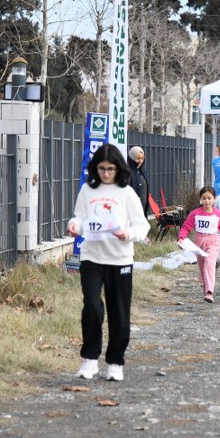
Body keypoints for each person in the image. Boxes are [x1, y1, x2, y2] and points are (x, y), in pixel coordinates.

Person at [67, 144, 151, 382]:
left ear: (118, 168)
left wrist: (128, 234)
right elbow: (81, 217)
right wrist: (74, 225)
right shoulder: (87, 190)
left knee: (119, 311)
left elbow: (142, 225)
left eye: (110, 169)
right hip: (91, 258)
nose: (105, 174)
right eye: (102, 169)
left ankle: (115, 362)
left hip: (120, 258)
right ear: (95, 168)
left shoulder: (126, 193)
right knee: (92, 306)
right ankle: (90, 359)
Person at [178, 186, 220, 303]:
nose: (206, 201)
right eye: (204, 198)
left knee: (209, 265)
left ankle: (209, 292)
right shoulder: (195, 213)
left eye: (209, 198)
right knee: (202, 268)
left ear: (214, 199)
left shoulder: (218, 214)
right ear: (200, 199)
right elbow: (186, 227)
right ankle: (206, 287)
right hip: (199, 243)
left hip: (213, 242)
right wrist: (181, 237)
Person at [127, 146, 149, 216]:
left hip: (142, 210)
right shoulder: (127, 173)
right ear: (132, 158)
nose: (140, 161)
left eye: (142, 158)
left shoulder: (142, 171)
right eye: (138, 158)